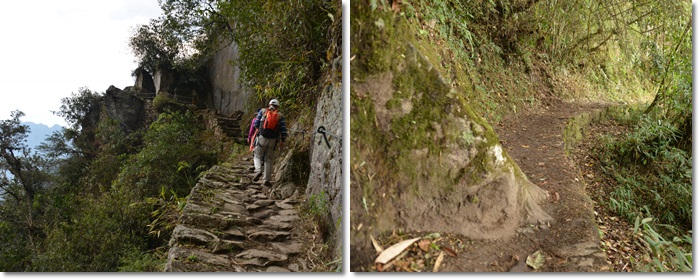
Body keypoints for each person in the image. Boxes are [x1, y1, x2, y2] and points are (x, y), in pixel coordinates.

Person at [251, 99, 288, 187]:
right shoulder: (280, 116)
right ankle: (266, 180)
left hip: (262, 138)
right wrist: (282, 139)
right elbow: (283, 130)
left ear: (269, 105)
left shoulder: (262, 111)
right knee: (269, 159)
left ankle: (258, 170)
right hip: (273, 140)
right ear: (277, 107)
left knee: (257, 156)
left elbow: (256, 124)